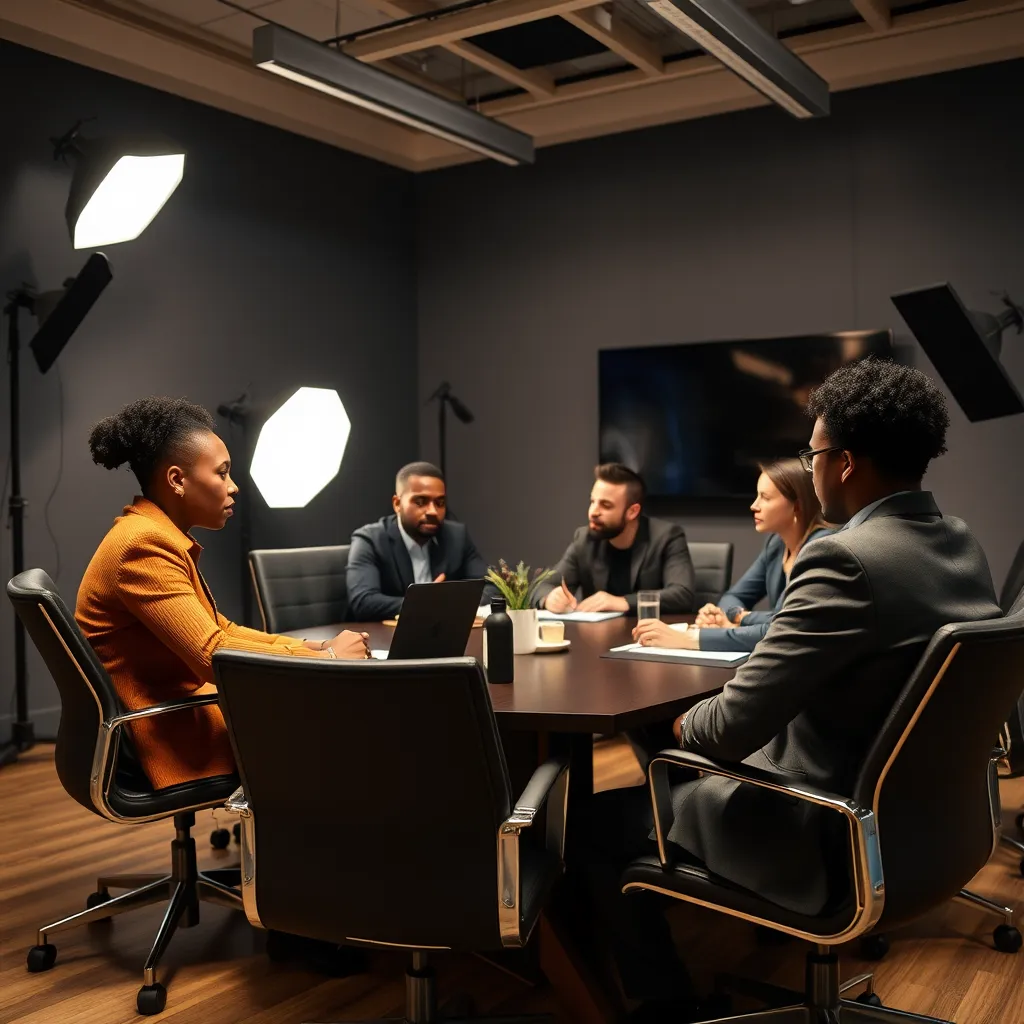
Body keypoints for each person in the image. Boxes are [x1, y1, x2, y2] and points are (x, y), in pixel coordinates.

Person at [583, 359, 1002, 1022]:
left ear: (842, 462)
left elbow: (729, 729)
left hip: (826, 833)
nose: (807, 469)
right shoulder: (961, 544)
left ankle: (663, 1003)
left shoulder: (842, 557)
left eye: (811, 454)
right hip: (931, 831)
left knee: (590, 822)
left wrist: (680, 727)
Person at [77, 397, 371, 791]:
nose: (234, 487)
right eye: (222, 473)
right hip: (173, 733)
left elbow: (220, 630)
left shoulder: (152, 534)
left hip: (185, 714)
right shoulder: (142, 546)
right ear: (177, 480)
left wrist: (314, 650)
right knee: (356, 727)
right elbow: (213, 656)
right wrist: (332, 659)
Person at [632, 458, 831, 653]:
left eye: (766, 498)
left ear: (797, 505)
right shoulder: (776, 543)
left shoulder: (820, 549)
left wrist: (690, 637)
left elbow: (779, 627)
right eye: (756, 496)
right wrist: (732, 616)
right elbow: (734, 596)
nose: (754, 505)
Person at [535, 463, 696, 615]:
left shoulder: (667, 537)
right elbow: (541, 585)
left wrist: (622, 602)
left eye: (605, 505)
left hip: (651, 637)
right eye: (592, 501)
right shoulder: (584, 539)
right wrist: (549, 598)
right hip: (598, 638)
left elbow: (682, 594)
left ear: (632, 511)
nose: (593, 512)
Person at [346, 462, 494, 621]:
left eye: (440, 503)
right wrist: (424, 603)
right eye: (420, 502)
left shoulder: (456, 536)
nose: (432, 511)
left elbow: (490, 587)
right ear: (397, 504)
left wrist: (447, 604)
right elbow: (363, 601)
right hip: (384, 638)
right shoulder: (370, 540)